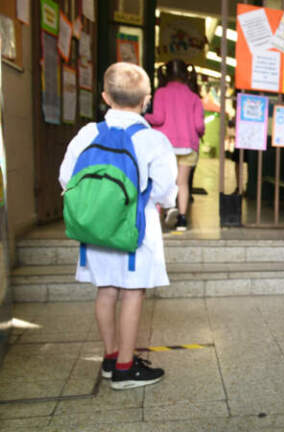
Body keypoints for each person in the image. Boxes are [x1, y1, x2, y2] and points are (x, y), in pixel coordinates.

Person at [59, 62, 177, 389]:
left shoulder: (87, 134)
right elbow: (167, 191)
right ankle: (126, 368)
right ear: (146, 100)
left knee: (106, 290)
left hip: (94, 229)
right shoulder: (153, 140)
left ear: (105, 97)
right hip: (135, 229)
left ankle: (111, 358)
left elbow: (66, 178)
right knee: (132, 291)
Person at [145, 59, 204, 231]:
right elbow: (199, 125)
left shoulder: (161, 93)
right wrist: (197, 134)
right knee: (182, 183)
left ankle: (160, 215)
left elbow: (159, 118)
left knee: (162, 181)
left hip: (165, 145)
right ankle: (183, 220)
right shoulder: (194, 97)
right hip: (187, 146)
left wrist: (144, 117)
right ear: (187, 75)